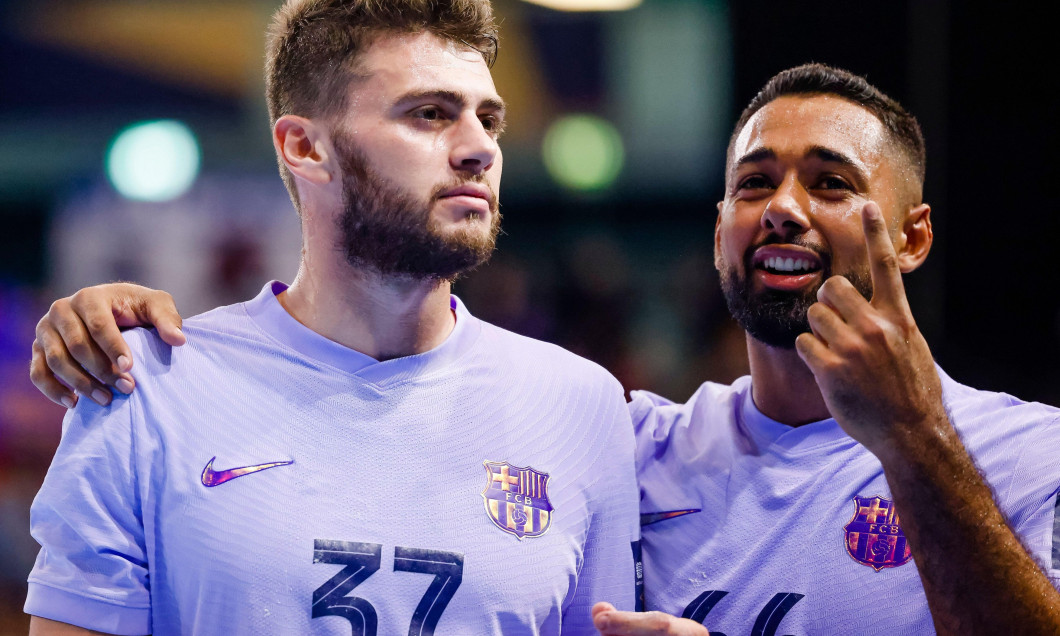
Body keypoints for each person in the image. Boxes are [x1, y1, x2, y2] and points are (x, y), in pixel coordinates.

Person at [29, 64, 1060, 633]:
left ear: (912, 237)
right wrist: (117, 320)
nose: (783, 209)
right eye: (754, 185)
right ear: (717, 233)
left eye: (830, 183)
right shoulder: (625, 437)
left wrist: (912, 433)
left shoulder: (1025, 458)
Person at [23, 1, 642, 634]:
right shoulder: (144, 388)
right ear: (304, 146)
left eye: (489, 120)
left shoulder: (582, 405)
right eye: (431, 114)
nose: (480, 149)